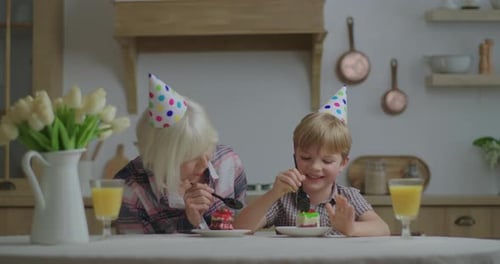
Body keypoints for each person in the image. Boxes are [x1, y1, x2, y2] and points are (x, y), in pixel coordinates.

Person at [233, 86, 390, 237]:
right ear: (295, 156)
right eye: (306, 158)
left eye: (327, 161)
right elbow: (240, 228)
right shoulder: (283, 198)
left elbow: (382, 228)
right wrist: (273, 193)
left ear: (342, 163)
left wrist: (352, 228)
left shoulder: (348, 197)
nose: (315, 167)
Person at [114, 73, 247, 234]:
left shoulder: (228, 164)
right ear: (161, 158)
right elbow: (135, 256)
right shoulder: (131, 189)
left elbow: (242, 231)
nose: (205, 164)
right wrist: (190, 222)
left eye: (207, 148)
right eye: (191, 158)